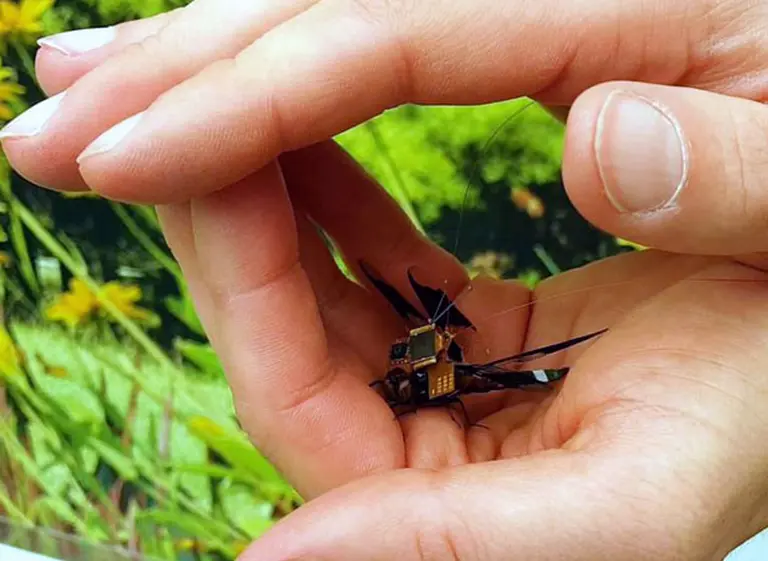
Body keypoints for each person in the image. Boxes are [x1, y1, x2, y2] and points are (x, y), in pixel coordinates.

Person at [2, 1, 768, 558]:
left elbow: (500, 369)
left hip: (451, 379)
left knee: (515, 359)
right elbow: (451, 369)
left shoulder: (446, 355)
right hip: (440, 382)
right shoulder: (433, 356)